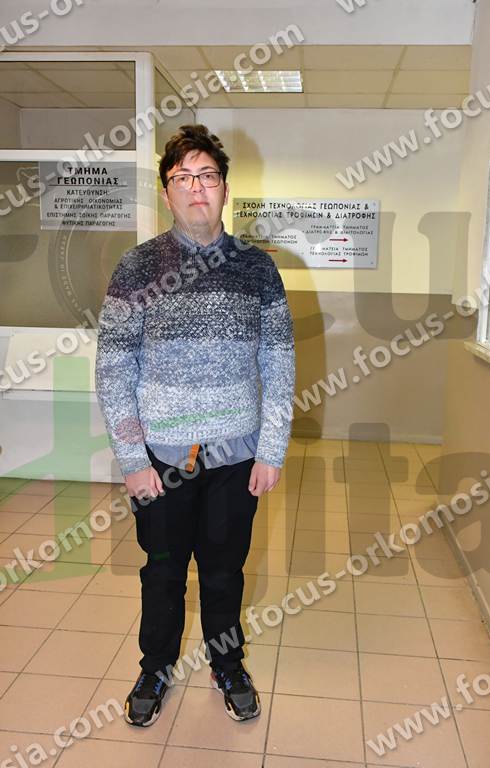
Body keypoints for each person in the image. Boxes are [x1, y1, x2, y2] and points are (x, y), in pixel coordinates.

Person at [95, 124, 295, 727]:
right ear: (166, 193)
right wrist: (133, 461)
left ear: (225, 188)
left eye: (207, 175)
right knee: (162, 572)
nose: (196, 187)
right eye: (182, 177)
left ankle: (227, 665)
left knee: (224, 572)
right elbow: (113, 370)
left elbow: (279, 363)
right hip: (162, 461)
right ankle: (155, 668)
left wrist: (272, 449)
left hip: (236, 458)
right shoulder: (137, 267)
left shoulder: (257, 269)